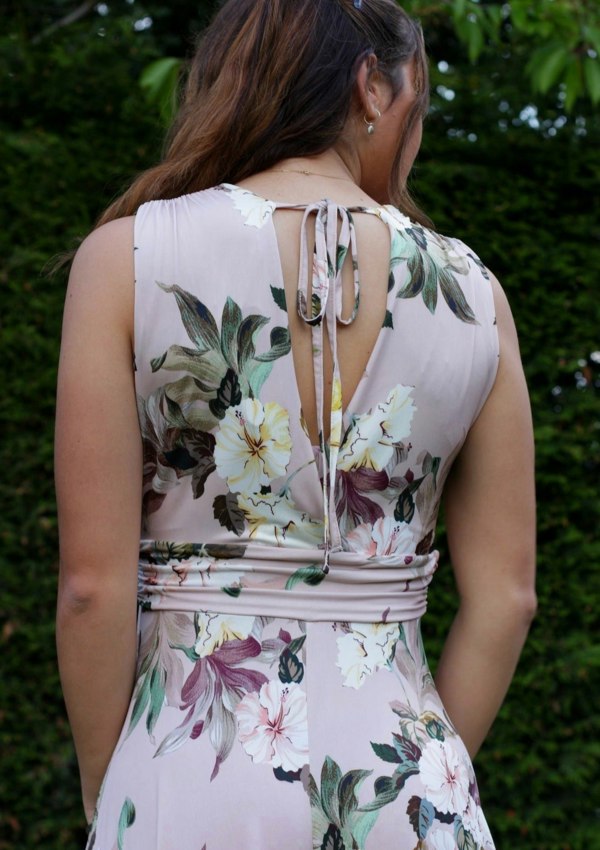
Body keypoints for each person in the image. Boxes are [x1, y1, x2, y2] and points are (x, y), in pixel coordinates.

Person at [55, 0, 537, 847]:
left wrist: (111, 786)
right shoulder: (474, 294)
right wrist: (424, 762)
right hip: (410, 791)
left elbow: (91, 589)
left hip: (186, 776)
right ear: (370, 88)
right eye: (415, 101)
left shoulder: (125, 262)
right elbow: (506, 596)